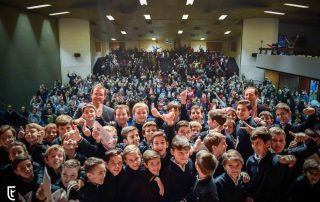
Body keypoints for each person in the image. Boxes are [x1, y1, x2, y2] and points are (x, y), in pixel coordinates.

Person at [245, 127, 290, 202]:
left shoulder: (276, 161)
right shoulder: (250, 160)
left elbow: (282, 186)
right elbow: (248, 182)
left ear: (268, 143)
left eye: (258, 143)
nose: (254, 146)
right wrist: (248, 195)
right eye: (252, 143)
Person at [161, 135, 195, 202]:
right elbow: (166, 194)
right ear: (172, 152)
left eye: (186, 152)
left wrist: (186, 199)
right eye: (180, 152)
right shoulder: (167, 171)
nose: (184, 156)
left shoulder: (190, 162)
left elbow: (192, 184)